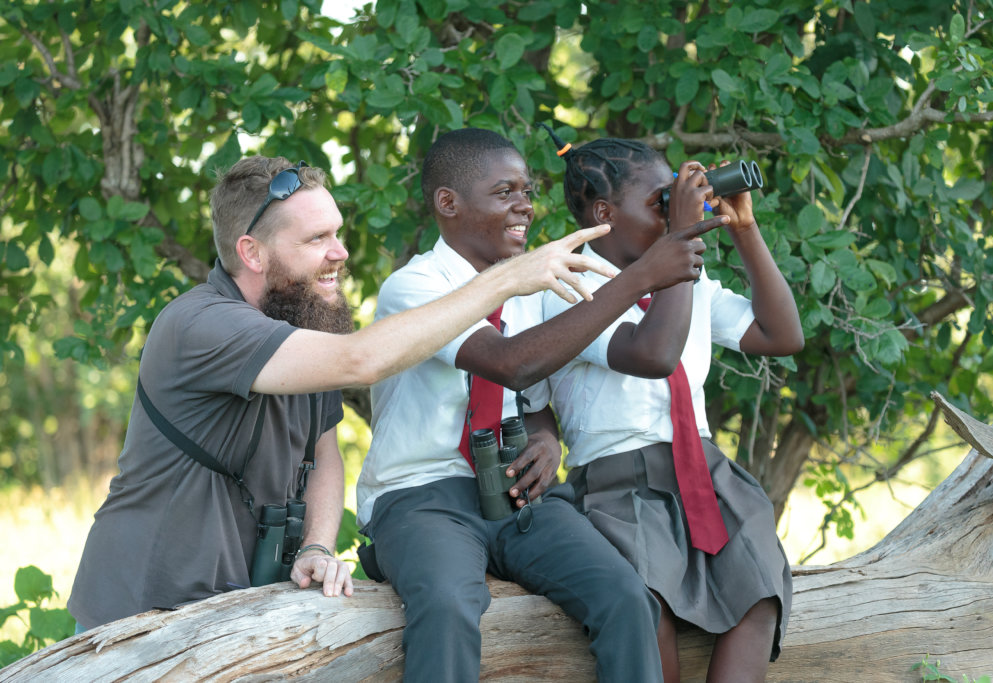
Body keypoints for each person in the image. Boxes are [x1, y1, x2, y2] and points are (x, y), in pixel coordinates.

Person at [67, 155, 615, 631]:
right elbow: (363, 360)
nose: (340, 252)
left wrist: (316, 545)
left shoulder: (301, 320)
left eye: (337, 232)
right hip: (141, 608)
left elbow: (324, 453)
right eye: (316, 239)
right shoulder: (202, 325)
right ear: (252, 253)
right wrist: (505, 279)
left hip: (240, 607)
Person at [356, 128, 728, 681]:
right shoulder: (414, 287)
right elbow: (507, 362)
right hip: (421, 496)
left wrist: (547, 438)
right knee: (449, 605)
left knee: (626, 595)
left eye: (527, 190)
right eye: (505, 191)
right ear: (448, 203)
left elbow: (528, 396)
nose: (525, 205)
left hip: (513, 492)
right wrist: (640, 278)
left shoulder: (530, 288)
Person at [537, 133, 804, 682]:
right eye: (659, 201)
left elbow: (781, 334)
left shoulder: (692, 277)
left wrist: (744, 229)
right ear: (603, 213)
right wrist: (679, 236)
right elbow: (653, 354)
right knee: (649, 614)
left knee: (759, 596)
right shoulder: (567, 284)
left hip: (706, 476)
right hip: (618, 486)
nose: (672, 211)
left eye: (674, 200)